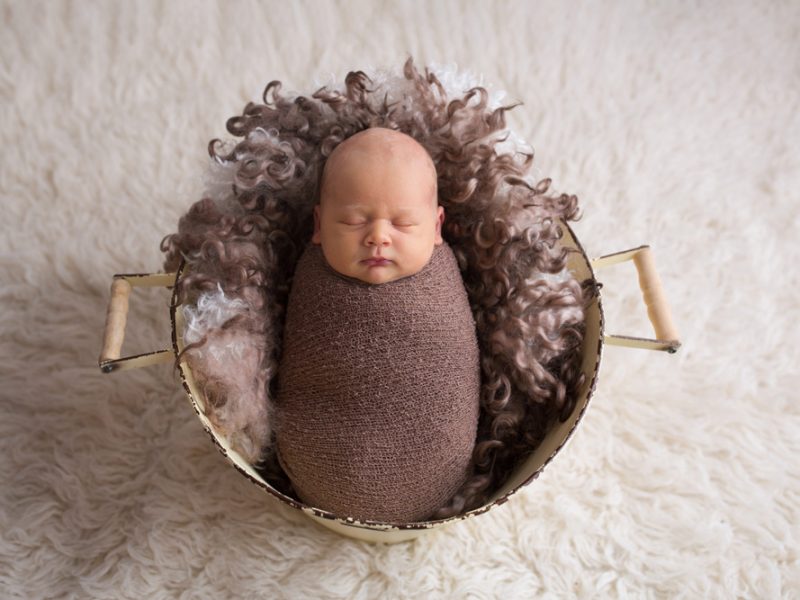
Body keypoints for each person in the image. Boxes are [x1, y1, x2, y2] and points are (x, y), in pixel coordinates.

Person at [311, 127, 445, 285]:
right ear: (319, 224)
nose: (378, 236)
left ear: (436, 227)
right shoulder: (308, 280)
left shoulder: (444, 283)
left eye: (403, 223)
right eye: (353, 221)